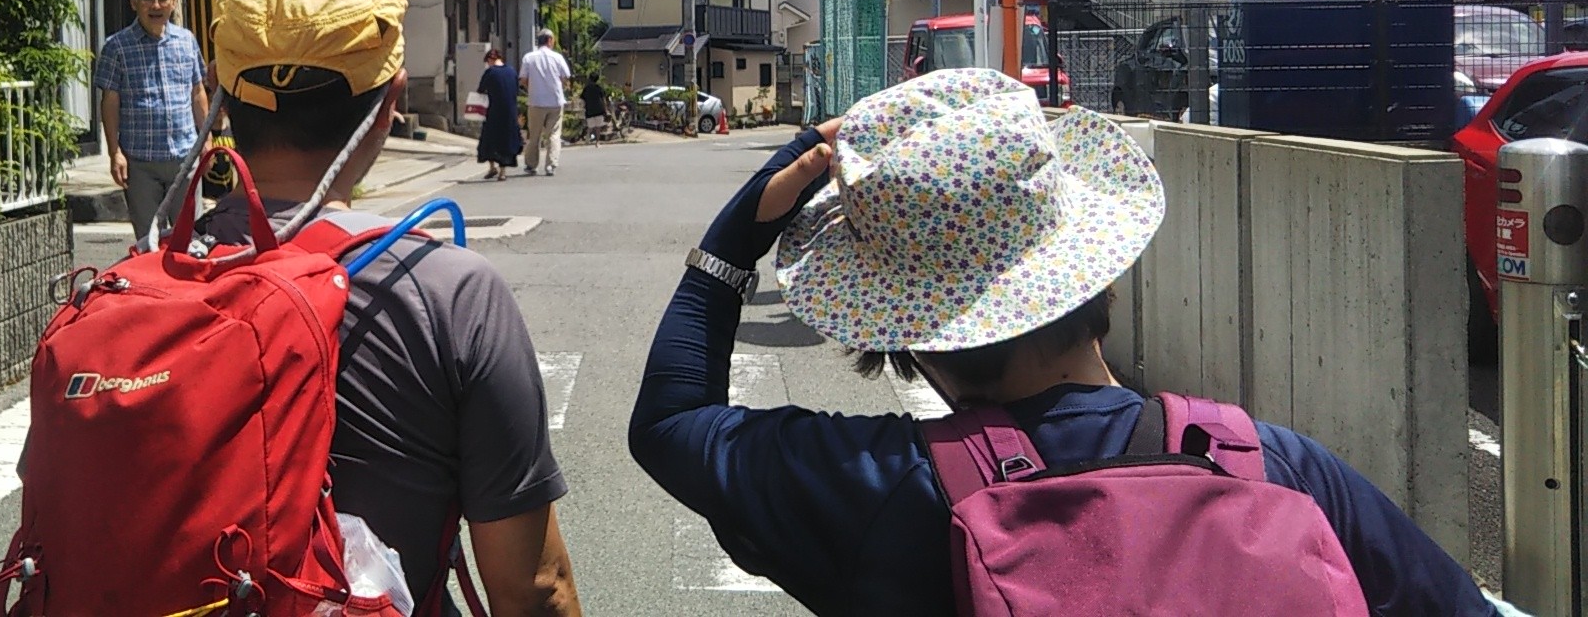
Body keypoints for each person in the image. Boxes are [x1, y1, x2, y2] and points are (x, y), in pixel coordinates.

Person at [628, 69, 1502, 616]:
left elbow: (669, 424)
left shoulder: (880, 491)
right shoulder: (1276, 467)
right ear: (1098, 276)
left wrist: (731, 242)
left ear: (905, 338)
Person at [193, 0, 581, 615]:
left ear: (219, 97)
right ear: (389, 104)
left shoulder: (130, 289)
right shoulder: (449, 293)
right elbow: (535, 588)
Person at [92, 0, 207, 240]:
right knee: (148, 241)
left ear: (174, 3)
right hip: (140, 161)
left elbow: (197, 92)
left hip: (185, 157)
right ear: (134, 3)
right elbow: (110, 101)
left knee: (190, 239)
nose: (156, 5)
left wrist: (207, 138)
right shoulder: (116, 46)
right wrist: (114, 152)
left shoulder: (186, 41)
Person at [518, 29, 570, 176]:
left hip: (535, 101)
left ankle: (531, 165)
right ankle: (551, 165)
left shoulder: (529, 57)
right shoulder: (558, 57)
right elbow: (565, 77)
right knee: (553, 134)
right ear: (549, 40)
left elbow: (522, 79)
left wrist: (532, 87)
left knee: (534, 134)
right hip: (555, 100)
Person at [476, 47, 522, 181]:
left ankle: (491, 168)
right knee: (506, 141)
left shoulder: (490, 72)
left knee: (490, 140)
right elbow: (516, 90)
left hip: (493, 112)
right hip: (510, 112)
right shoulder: (512, 71)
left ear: (490, 60)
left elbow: (480, 90)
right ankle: (503, 172)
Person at [579, 73, 608, 143]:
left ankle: (587, 139)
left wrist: (582, 108)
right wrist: (606, 110)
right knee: (598, 127)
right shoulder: (599, 88)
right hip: (599, 110)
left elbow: (582, 99)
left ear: (590, 79)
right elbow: (604, 100)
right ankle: (597, 142)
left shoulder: (586, 88)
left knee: (590, 126)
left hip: (589, 110)